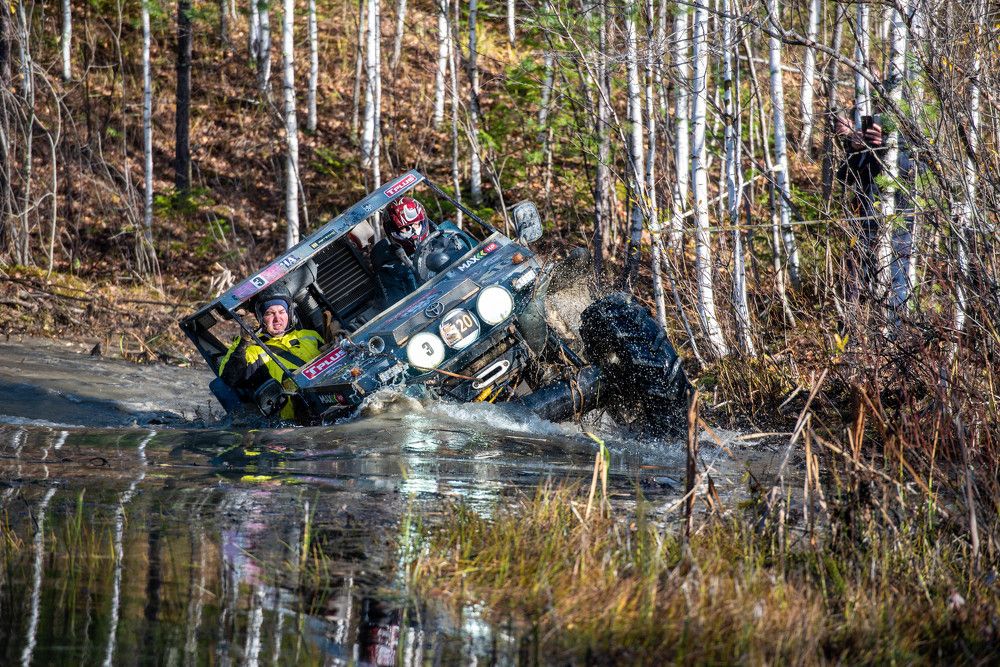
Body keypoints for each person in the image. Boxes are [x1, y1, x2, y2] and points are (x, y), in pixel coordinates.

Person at [834, 113, 916, 311]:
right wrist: (854, 148)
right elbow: (843, 177)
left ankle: (894, 334)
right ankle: (855, 332)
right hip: (864, 224)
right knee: (854, 281)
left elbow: (912, 172)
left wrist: (885, 146)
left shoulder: (904, 142)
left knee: (896, 283)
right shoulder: (862, 148)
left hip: (897, 222)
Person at [218, 287, 324, 420]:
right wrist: (244, 341)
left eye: (282, 312)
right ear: (261, 318)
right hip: (296, 421)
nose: (277, 318)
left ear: (289, 314)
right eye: (270, 313)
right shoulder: (253, 350)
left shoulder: (310, 336)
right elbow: (229, 377)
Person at [371, 196, 475, 305]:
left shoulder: (447, 241)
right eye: (405, 228)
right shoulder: (390, 271)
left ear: (423, 221)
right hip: (431, 312)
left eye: (416, 224)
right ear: (392, 231)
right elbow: (397, 311)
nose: (414, 232)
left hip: (465, 296)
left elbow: (475, 267)